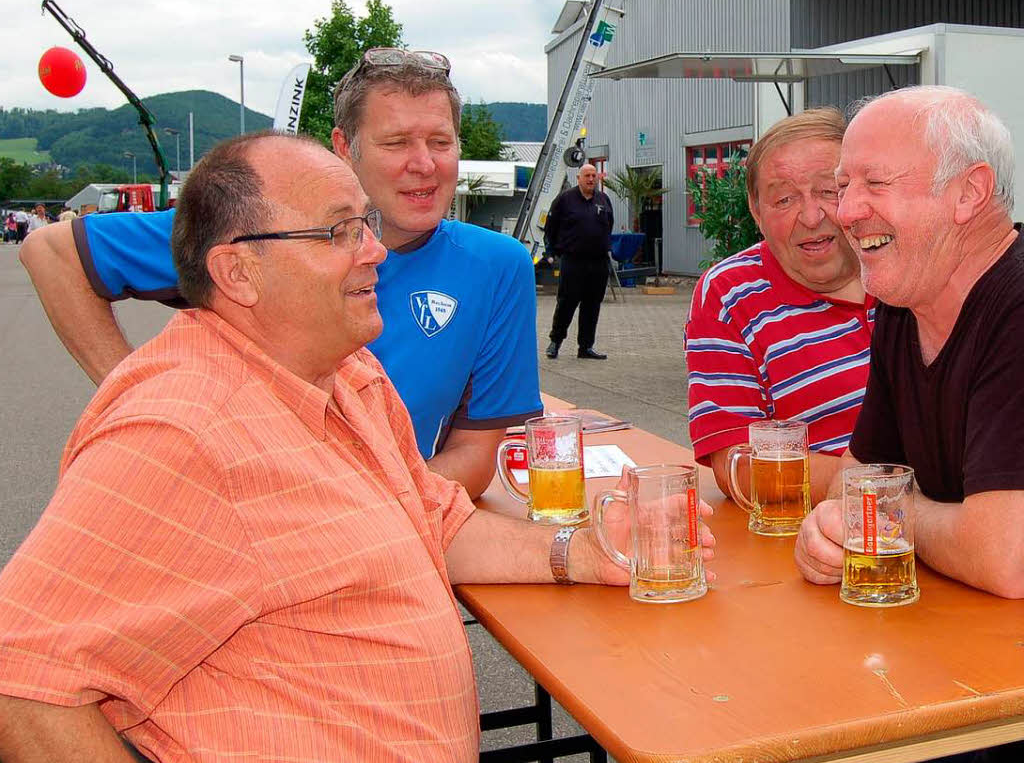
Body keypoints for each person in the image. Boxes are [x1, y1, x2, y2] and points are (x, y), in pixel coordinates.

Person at [0, 132, 715, 763]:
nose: (374, 249)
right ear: (237, 273)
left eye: (365, 223)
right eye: (338, 231)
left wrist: (581, 552)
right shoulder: (181, 431)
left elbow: (432, 514)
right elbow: (21, 679)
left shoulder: (348, 370)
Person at [18, 49, 541, 500]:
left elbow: (475, 456)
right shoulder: (262, 232)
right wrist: (135, 395)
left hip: (379, 531)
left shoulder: (496, 266)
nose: (424, 163)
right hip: (228, 525)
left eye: (441, 142)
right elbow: (52, 252)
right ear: (344, 147)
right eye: (397, 142)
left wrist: (366, 512)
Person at [795, 86, 1024, 601]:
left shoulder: (1015, 307)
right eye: (844, 185)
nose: (846, 212)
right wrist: (830, 531)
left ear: (969, 192)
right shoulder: (906, 303)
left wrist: (889, 509)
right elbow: (851, 488)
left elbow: (1005, 558)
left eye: (875, 183)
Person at [685, 109, 872, 503]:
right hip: (821, 536)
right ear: (756, 212)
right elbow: (737, 464)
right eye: (784, 199)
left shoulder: (908, 271)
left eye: (829, 190)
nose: (811, 215)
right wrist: (880, 487)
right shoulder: (730, 294)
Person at [544, 163, 614, 360]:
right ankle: (555, 342)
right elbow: (551, 226)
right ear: (579, 178)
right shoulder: (565, 200)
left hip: (598, 261)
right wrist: (552, 250)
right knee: (567, 302)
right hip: (573, 260)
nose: (591, 179)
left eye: (594, 176)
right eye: (587, 176)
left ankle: (585, 347)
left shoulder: (603, 199)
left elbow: (609, 225)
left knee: (592, 305)